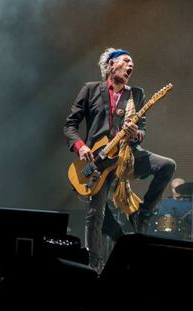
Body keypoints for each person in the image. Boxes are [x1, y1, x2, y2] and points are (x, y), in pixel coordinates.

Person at [64, 47, 176, 272]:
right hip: (99, 161)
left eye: (132, 64)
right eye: (126, 61)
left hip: (127, 156)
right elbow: (70, 125)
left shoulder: (136, 95)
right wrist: (81, 146)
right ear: (111, 64)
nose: (130, 66)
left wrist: (136, 133)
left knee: (167, 165)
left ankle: (144, 214)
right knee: (96, 215)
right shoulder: (90, 89)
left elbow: (141, 130)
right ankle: (94, 268)